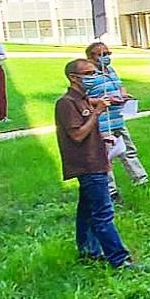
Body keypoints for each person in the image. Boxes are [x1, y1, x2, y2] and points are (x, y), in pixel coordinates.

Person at [55, 59, 135, 269]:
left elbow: (88, 128)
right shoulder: (67, 103)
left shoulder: (83, 100)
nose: (94, 77)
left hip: (97, 159)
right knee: (103, 214)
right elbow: (78, 134)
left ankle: (88, 250)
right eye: (88, 74)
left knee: (87, 210)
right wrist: (97, 112)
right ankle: (119, 259)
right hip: (88, 165)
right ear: (74, 77)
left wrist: (102, 137)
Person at [86, 42, 149, 195]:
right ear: (91, 57)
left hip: (117, 119)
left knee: (128, 150)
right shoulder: (88, 75)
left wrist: (123, 95)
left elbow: (120, 86)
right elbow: (82, 99)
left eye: (108, 54)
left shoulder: (110, 70)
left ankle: (141, 179)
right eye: (102, 55)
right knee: (106, 157)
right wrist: (103, 100)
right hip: (102, 123)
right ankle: (110, 191)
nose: (107, 57)